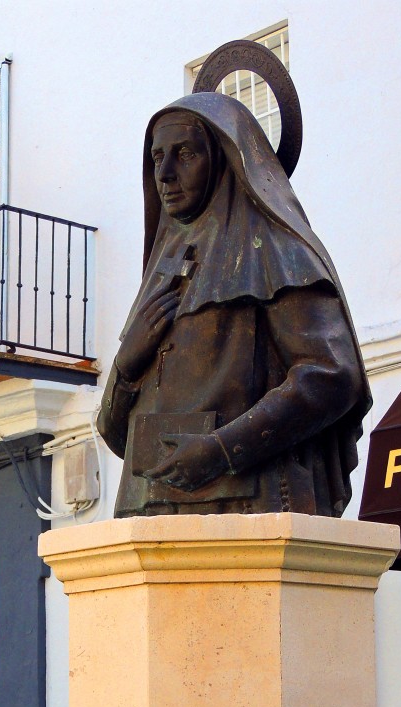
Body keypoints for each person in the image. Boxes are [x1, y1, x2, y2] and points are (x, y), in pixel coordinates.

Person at [97, 91, 371, 517]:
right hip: (149, 511)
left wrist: (220, 450)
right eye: (156, 158)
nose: (165, 174)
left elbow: (331, 376)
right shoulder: (160, 271)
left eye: (185, 154)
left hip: (251, 503)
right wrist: (126, 368)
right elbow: (115, 435)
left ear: (224, 157)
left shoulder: (279, 251)